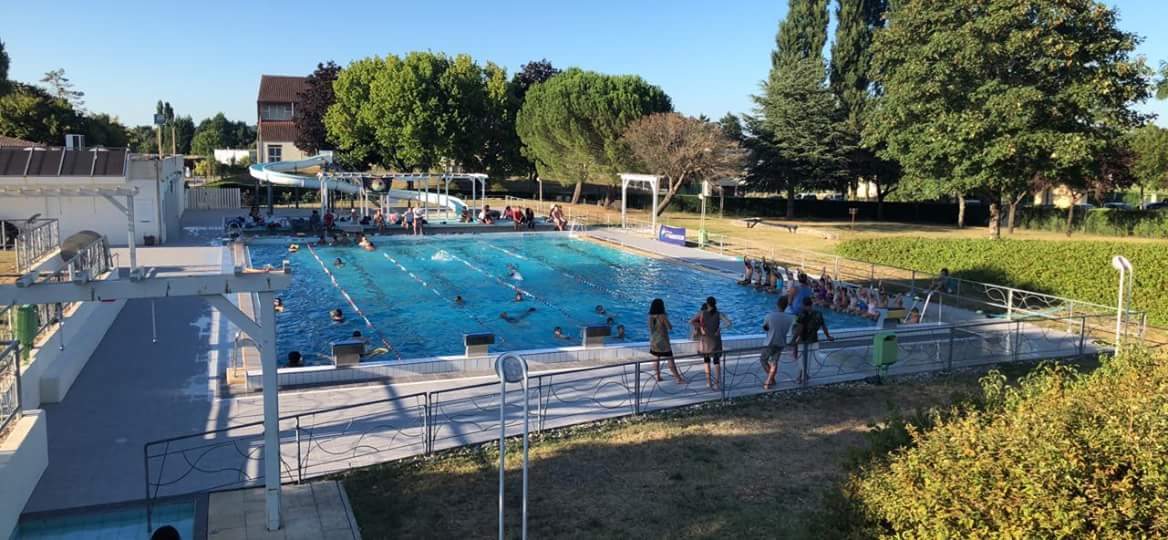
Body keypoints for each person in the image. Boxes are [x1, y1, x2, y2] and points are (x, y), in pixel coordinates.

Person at [690, 297, 732, 389]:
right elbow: (729, 323)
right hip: (716, 340)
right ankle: (717, 383)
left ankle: (708, 382)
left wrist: (701, 327)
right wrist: (719, 329)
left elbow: (691, 321)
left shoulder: (702, 313)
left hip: (706, 340)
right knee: (716, 361)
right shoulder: (719, 314)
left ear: (707, 304)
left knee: (706, 360)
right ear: (715, 304)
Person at [791, 297, 833, 385]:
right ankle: (804, 376)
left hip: (803, 340)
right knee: (808, 360)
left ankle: (801, 377)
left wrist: (793, 340)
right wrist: (828, 336)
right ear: (811, 304)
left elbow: (800, 328)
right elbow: (823, 326)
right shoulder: (818, 313)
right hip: (814, 339)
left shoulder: (802, 314)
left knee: (801, 360)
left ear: (803, 305)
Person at [760, 297, 796, 389]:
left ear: (777, 304)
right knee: (774, 362)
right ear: (786, 306)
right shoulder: (790, 317)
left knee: (763, 360)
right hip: (781, 342)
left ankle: (769, 380)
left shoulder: (770, 316)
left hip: (770, 342)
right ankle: (771, 379)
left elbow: (765, 328)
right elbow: (795, 327)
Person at [648, 298, 685, 383]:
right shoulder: (662, 316)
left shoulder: (650, 317)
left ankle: (658, 377)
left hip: (654, 341)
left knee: (656, 359)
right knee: (670, 361)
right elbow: (669, 327)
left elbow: (651, 329)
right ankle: (678, 379)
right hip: (663, 342)